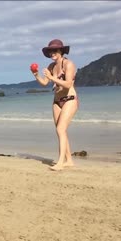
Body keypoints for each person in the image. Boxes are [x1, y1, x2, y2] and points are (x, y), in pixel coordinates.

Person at [32, 39, 78, 171]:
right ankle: (69, 160)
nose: (52, 53)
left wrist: (52, 78)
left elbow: (68, 84)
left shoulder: (68, 64)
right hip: (57, 101)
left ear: (61, 51)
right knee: (61, 131)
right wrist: (36, 75)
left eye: (55, 50)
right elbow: (45, 83)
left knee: (60, 130)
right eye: (50, 51)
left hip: (70, 99)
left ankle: (60, 162)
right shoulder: (51, 67)